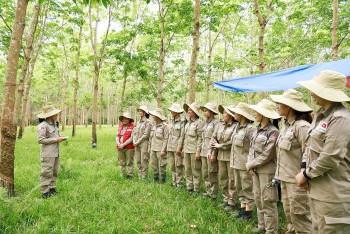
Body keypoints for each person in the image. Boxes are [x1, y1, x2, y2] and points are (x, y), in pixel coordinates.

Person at [295, 70, 350, 234]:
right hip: (316, 191)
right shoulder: (320, 116)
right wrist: (303, 169)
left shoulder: (340, 118)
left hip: (333, 196)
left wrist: (305, 175)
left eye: (315, 89)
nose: (311, 93)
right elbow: (309, 146)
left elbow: (331, 156)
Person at [270, 89, 313, 233]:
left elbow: (310, 153)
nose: (277, 106)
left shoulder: (302, 127)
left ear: (289, 107)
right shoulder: (286, 126)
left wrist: (305, 174)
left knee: (301, 220)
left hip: (298, 183)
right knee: (290, 217)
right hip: (285, 179)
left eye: (280, 103)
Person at [246, 99, 280, 234]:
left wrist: (251, 164)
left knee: (268, 201)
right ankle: (262, 226)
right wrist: (250, 164)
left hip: (267, 171)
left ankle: (271, 230)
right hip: (256, 169)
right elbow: (251, 149)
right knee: (258, 198)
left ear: (264, 114)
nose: (255, 113)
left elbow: (268, 154)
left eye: (257, 111)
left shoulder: (273, 131)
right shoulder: (257, 130)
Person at [228, 103, 256, 220]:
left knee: (247, 188)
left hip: (245, 164)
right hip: (236, 163)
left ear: (242, 114)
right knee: (239, 187)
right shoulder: (237, 127)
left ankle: (248, 213)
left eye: (236, 112)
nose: (233, 114)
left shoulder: (250, 129)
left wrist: (251, 164)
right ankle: (242, 209)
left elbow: (254, 148)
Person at [37, 105, 67, 199]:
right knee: (47, 172)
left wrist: (61, 138)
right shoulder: (42, 126)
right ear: (50, 115)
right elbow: (41, 140)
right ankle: (45, 192)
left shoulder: (54, 124)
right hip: (47, 153)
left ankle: (52, 189)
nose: (57, 115)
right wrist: (56, 140)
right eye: (55, 114)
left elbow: (54, 136)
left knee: (54, 171)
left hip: (55, 152)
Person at [211, 105, 238, 211]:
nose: (223, 115)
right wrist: (213, 152)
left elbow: (233, 141)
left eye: (225, 113)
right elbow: (214, 139)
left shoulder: (236, 126)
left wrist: (221, 146)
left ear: (230, 115)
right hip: (220, 156)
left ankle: (232, 201)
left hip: (230, 156)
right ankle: (226, 198)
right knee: (223, 178)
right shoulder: (220, 125)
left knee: (232, 179)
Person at [182, 102, 204, 193]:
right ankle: (189, 187)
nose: (189, 111)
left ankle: (196, 189)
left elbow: (200, 138)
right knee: (187, 169)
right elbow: (185, 137)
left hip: (194, 150)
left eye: (191, 110)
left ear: (195, 112)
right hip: (187, 149)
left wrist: (198, 151)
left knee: (196, 170)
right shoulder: (187, 123)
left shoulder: (199, 123)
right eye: (188, 110)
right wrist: (183, 148)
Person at [199, 102, 219, 199]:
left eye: (206, 111)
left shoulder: (216, 123)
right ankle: (208, 191)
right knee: (205, 173)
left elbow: (216, 139)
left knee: (212, 173)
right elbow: (201, 138)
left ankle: (213, 193)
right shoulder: (205, 123)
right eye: (204, 111)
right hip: (204, 151)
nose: (204, 112)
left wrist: (214, 153)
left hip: (210, 152)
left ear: (211, 112)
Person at [166, 103, 185, 187]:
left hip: (177, 147)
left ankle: (179, 183)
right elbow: (168, 135)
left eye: (174, 110)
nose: (172, 112)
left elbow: (182, 135)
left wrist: (179, 147)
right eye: (171, 110)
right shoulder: (170, 121)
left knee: (178, 166)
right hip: (170, 146)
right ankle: (174, 182)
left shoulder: (182, 122)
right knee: (172, 166)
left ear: (178, 112)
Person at [149, 108, 169, 183]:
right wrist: (149, 148)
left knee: (162, 165)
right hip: (153, 148)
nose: (153, 117)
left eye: (154, 115)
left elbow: (166, 139)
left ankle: (163, 179)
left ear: (158, 116)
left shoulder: (165, 126)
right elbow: (151, 138)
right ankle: (156, 178)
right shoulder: (153, 125)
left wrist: (163, 150)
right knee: (154, 164)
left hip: (160, 149)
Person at [132, 105, 152, 180]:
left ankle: (144, 177)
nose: (139, 112)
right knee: (138, 160)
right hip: (136, 143)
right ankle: (140, 175)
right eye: (139, 111)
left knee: (144, 160)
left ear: (144, 112)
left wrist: (137, 142)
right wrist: (134, 141)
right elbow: (134, 132)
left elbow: (146, 135)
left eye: (141, 111)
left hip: (144, 143)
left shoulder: (148, 122)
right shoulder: (138, 122)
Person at [116, 112, 136, 179]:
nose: (124, 120)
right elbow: (117, 135)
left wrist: (124, 144)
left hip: (129, 147)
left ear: (129, 120)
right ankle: (122, 173)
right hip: (120, 147)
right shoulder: (120, 126)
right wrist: (118, 143)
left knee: (130, 161)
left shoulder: (133, 126)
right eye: (123, 119)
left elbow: (132, 137)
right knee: (122, 161)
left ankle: (130, 174)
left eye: (126, 119)